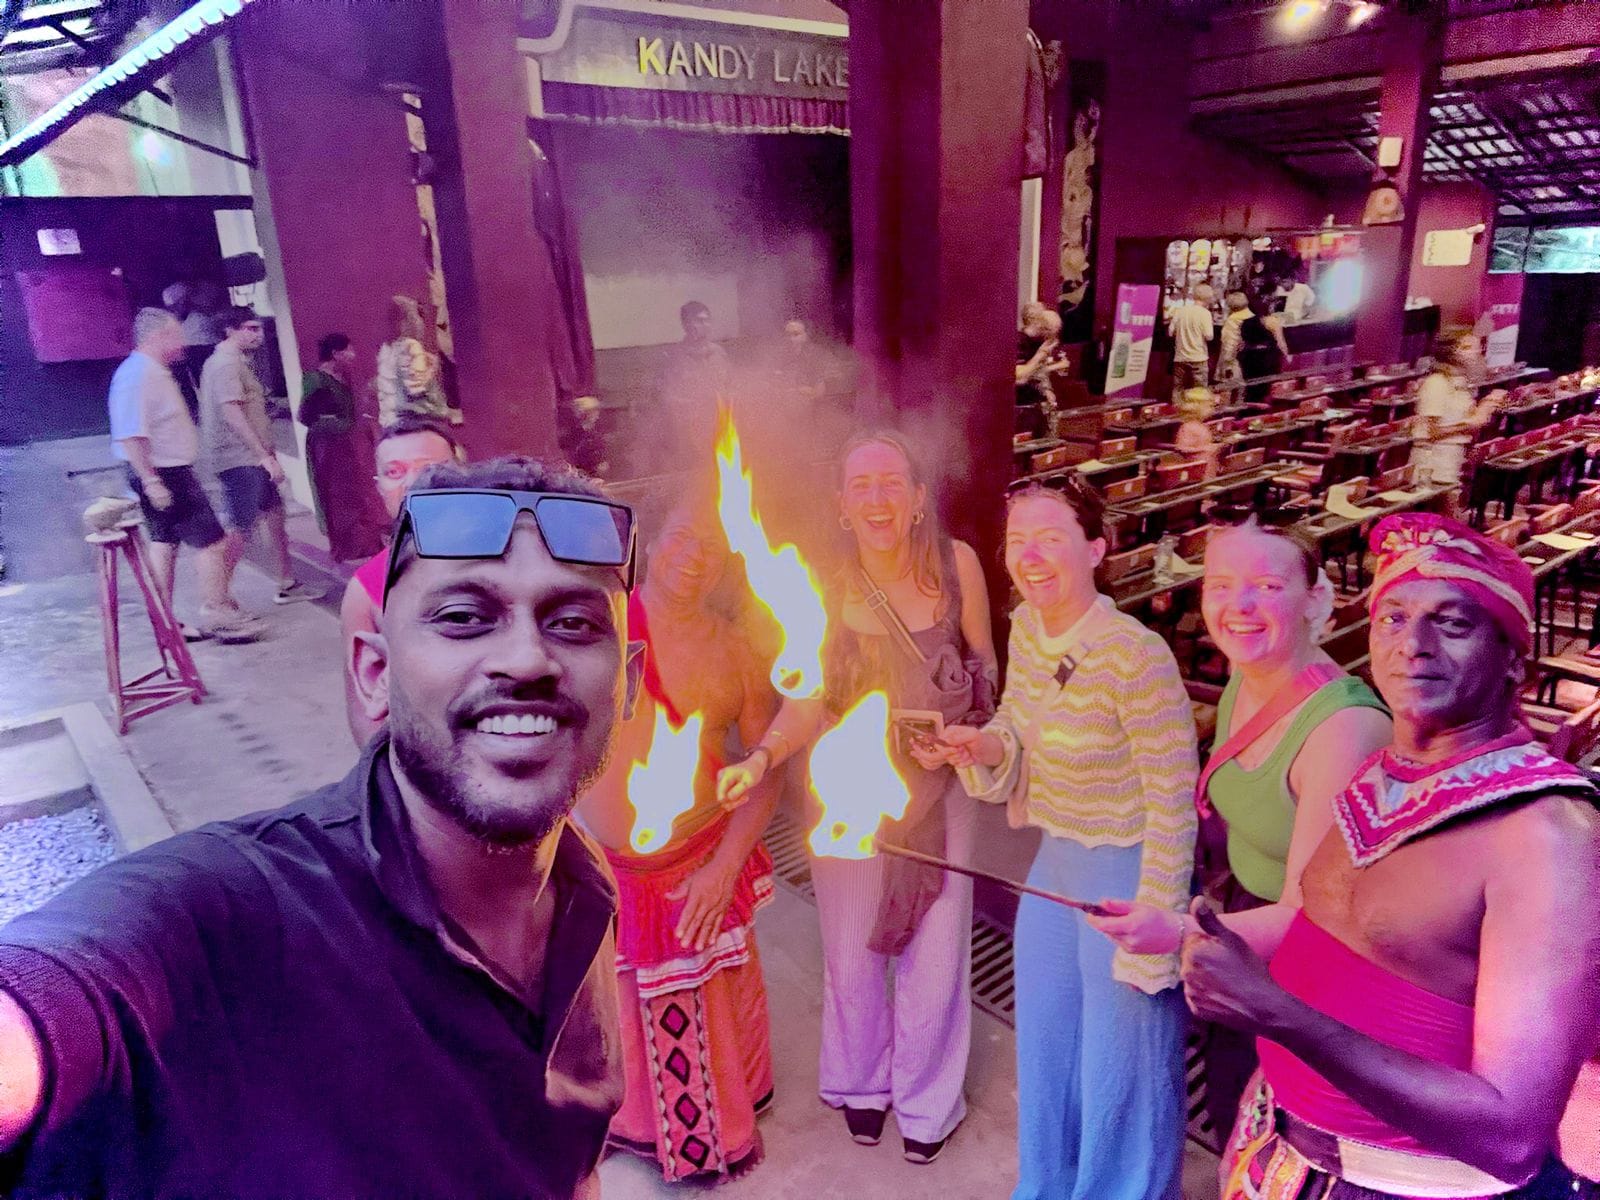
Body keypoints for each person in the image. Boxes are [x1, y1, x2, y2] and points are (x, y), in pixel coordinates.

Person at [0, 456, 644, 1199]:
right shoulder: (222, 912)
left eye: (572, 623)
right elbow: (52, 999)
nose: (529, 658)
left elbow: (566, 1164)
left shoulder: (583, 887)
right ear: (374, 674)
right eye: (465, 618)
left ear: (625, 681)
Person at [1180, 512, 1600, 1200]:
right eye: (1394, 618)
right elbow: (1329, 932)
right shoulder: (1382, 775)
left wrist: (1276, 1012)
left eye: (1453, 623)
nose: (1414, 645)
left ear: (1513, 660)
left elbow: (1512, 1136)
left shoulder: (1545, 834)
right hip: (1280, 1147)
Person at [717, 432, 997, 1165]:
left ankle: (928, 1100)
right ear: (842, 506)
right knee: (849, 949)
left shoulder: (956, 565)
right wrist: (764, 755)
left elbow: (985, 665)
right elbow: (804, 703)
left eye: (891, 482)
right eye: (860, 485)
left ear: (917, 498)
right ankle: (863, 1084)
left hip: (942, 790)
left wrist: (970, 730)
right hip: (848, 795)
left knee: (937, 945)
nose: (877, 497)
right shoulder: (822, 584)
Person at [931, 478, 1199, 1200]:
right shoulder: (1028, 627)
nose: (1032, 554)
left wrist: (1162, 922)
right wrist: (984, 749)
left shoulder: (1135, 656)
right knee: (1048, 1046)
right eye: (1018, 540)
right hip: (1057, 862)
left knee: (1123, 1061)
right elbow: (1017, 721)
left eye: (1051, 537)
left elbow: (1174, 801)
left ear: (1096, 548)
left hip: (1127, 864)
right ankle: (1049, 1184)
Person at [1088, 513, 1390, 1133]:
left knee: (1275, 1126)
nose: (1239, 606)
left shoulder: (1343, 731)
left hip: (1311, 963)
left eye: (1268, 587)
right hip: (1248, 927)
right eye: (1220, 585)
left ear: (1319, 598)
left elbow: (1306, 913)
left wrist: (1172, 930)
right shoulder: (1244, 681)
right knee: (1232, 1110)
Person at [575, 501, 779, 1183]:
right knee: (604, 1017)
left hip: (696, 858)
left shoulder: (735, 648)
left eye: (713, 548)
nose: (696, 555)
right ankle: (620, 1124)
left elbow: (766, 768)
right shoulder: (595, 622)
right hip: (599, 867)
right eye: (684, 535)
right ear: (651, 542)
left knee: (708, 1027)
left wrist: (724, 868)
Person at [108, 307, 260, 643]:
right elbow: (131, 434)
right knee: (213, 543)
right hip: (165, 473)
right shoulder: (139, 375)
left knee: (165, 545)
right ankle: (218, 612)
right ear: (157, 336)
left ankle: (163, 623)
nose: (183, 343)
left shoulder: (150, 372)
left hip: (163, 471)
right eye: (177, 335)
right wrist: (151, 481)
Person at [339, 416, 461, 745]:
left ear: (461, 474)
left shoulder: (511, 553)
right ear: (380, 487)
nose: (412, 483)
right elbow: (366, 712)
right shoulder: (366, 590)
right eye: (395, 472)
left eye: (430, 469)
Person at [198, 307, 324, 608]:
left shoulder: (235, 363)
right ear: (230, 330)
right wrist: (262, 456)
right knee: (241, 528)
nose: (257, 334)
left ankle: (287, 581)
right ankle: (217, 600)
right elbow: (232, 412)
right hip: (241, 460)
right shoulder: (226, 365)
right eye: (250, 328)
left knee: (275, 516)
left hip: (253, 457)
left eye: (258, 328)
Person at [300, 333, 387, 562]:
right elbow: (308, 416)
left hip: (344, 443)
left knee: (354, 491)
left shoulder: (342, 377)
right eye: (348, 350)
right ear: (336, 354)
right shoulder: (315, 379)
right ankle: (348, 546)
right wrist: (342, 425)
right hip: (326, 446)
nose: (353, 355)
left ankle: (364, 543)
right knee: (336, 494)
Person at [1411, 331, 1504, 497]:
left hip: (1453, 459)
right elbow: (1433, 432)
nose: (1475, 353)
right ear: (1450, 353)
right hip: (1433, 464)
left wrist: (1485, 406)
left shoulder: (1460, 383)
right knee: (1440, 518)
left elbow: (1466, 419)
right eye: (1467, 347)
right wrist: (1473, 421)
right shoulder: (1436, 383)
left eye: (1476, 347)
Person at [655, 300, 732, 472]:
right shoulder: (673, 357)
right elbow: (665, 395)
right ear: (685, 324)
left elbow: (729, 385)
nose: (703, 325)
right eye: (697, 320)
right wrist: (692, 407)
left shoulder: (719, 354)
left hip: (719, 425)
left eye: (706, 320)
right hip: (687, 433)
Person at [375, 295, 449, 426]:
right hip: (415, 422)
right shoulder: (411, 346)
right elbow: (416, 389)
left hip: (390, 422)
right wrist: (432, 369)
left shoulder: (386, 348)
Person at [1238, 295, 1289, 408]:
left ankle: (1250, 410)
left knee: (1251, 387)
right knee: (1266, 387)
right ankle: (1264, 411)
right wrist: (1286, 357)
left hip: (1249, 359)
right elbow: (1281, 343)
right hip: (1266, 358)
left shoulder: (1245, 322)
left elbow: (1241, 343)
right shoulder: (1272, 321)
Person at [1168, 282, 1216, 397]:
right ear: (1208, 298)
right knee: (1199, 393)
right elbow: (1209, 336)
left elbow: (1170, 332)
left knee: (1178, 391)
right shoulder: (1205, 314)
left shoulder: (1180, 311)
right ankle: (1196, 414)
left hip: (1180, 358)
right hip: (1198, 358)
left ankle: (1177, 412)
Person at [1016, 303, 1063, 413]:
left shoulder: (1037, 342)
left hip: (1035, 402)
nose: (1053, 337)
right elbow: (1020, 378)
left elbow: (1037, 373)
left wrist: (1045, 390)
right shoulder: (1019, 341)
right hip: (1022, 405)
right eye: (1051, 331)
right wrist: (1041, 354)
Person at [1174, 386, 1220, 480]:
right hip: (1196, 468)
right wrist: (1205, 449)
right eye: (1209, 406)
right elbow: (1181, 448)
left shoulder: (1202, 425)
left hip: (1209, 465)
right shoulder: (1187, 427)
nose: (1212, 409)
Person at [1216, 291, 1251, 386]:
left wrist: (1227, 363)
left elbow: (1229, 343)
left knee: (1233, 389)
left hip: (1235, 360)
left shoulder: (1232, 320)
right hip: (1249, 358)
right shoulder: (1251, 315)